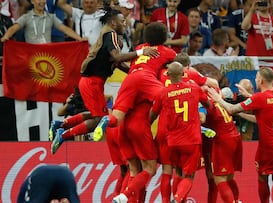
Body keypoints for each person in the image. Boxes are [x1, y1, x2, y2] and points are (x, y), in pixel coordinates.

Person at [50, 9, 158, 154]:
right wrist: (140, 53)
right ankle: (63, 135)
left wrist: (135, 72)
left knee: (98, 116)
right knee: (99, 120)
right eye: (122, 21)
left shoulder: (110, 36)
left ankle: (62, 123)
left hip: (92, 81)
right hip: (92, 82)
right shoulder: (111, 34)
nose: (125, 24)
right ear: (113, 23)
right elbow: (117, 57)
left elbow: (116, 63)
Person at [98, 22, 176, 203]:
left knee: (132, 168)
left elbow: (122, 60)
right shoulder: (167, 52)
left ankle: (105, 120)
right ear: (164, 39)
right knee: (172, 95)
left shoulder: (140, 48)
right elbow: (175, 66)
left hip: (129, 84)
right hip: (144, 91)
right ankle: (125, 196)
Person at [208, 67, 273, 203]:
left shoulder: (259, 98)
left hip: (270, 147)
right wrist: (249, 97)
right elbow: (264, 107)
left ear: (261, 80)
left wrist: (218, 99)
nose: (255, 80)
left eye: (257, 78)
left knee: (263, 177)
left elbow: (231, 109)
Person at [156, 53, 218, 202]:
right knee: (187, 174)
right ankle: (177, 199)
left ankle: (166, 200)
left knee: (168, 169)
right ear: (187, 68)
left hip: (165, 130)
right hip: (187, 132)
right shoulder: (191, 77)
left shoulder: (161, 75)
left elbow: (153, 111)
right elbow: (214, 83)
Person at [203, 86, 243, 203]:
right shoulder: (222, 103)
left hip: (223, 141)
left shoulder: (208, 106)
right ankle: (237, 200)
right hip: (235, 137)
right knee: (229, 177)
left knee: (219, 179)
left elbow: (201, 119)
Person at [0, 0, 84, 44]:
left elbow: (65, 29)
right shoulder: (26, 17)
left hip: (47, 55)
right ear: (32, 1)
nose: (42, 2)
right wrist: (6, 36)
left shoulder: (51, 17)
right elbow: (14, 27)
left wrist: (79, 38)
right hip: (31, 55)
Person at [241, 0, 273, 66]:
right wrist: (252, 9)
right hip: (253, 60)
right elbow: (244, 26)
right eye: (260, 2)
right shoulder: (252, 17)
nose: (262, 4)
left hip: (270, 60)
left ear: (269, 5)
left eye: (264, 2)